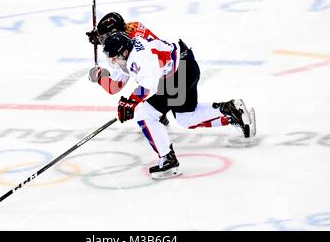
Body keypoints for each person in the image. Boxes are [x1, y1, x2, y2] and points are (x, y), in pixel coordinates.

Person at [86, 12, 256, 179]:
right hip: (180, 65)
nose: (113, 61)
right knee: (186, 118)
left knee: (146, 113)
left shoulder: (138, 57)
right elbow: (119, 84)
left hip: (178, 72)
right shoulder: (128, 43)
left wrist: (131, 102)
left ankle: (168, 159)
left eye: (104, 38)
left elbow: (149, 85)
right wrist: (103, 76)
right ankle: (232, 110)